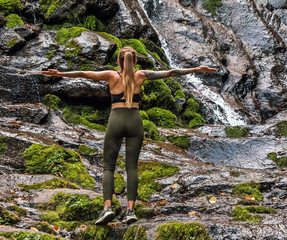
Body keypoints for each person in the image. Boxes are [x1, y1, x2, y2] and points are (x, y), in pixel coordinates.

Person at [41, 46, 217, 225]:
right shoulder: (141, 75)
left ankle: (107, 208)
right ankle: (131, 211)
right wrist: (196, 69)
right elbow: (171, 72)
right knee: (131, 167)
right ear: (135, 61)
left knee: (109, 167)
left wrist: (60, 73)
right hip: (135, 122)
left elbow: (84, 74)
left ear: (118, 61)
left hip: (116, 121)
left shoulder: (111, 75)